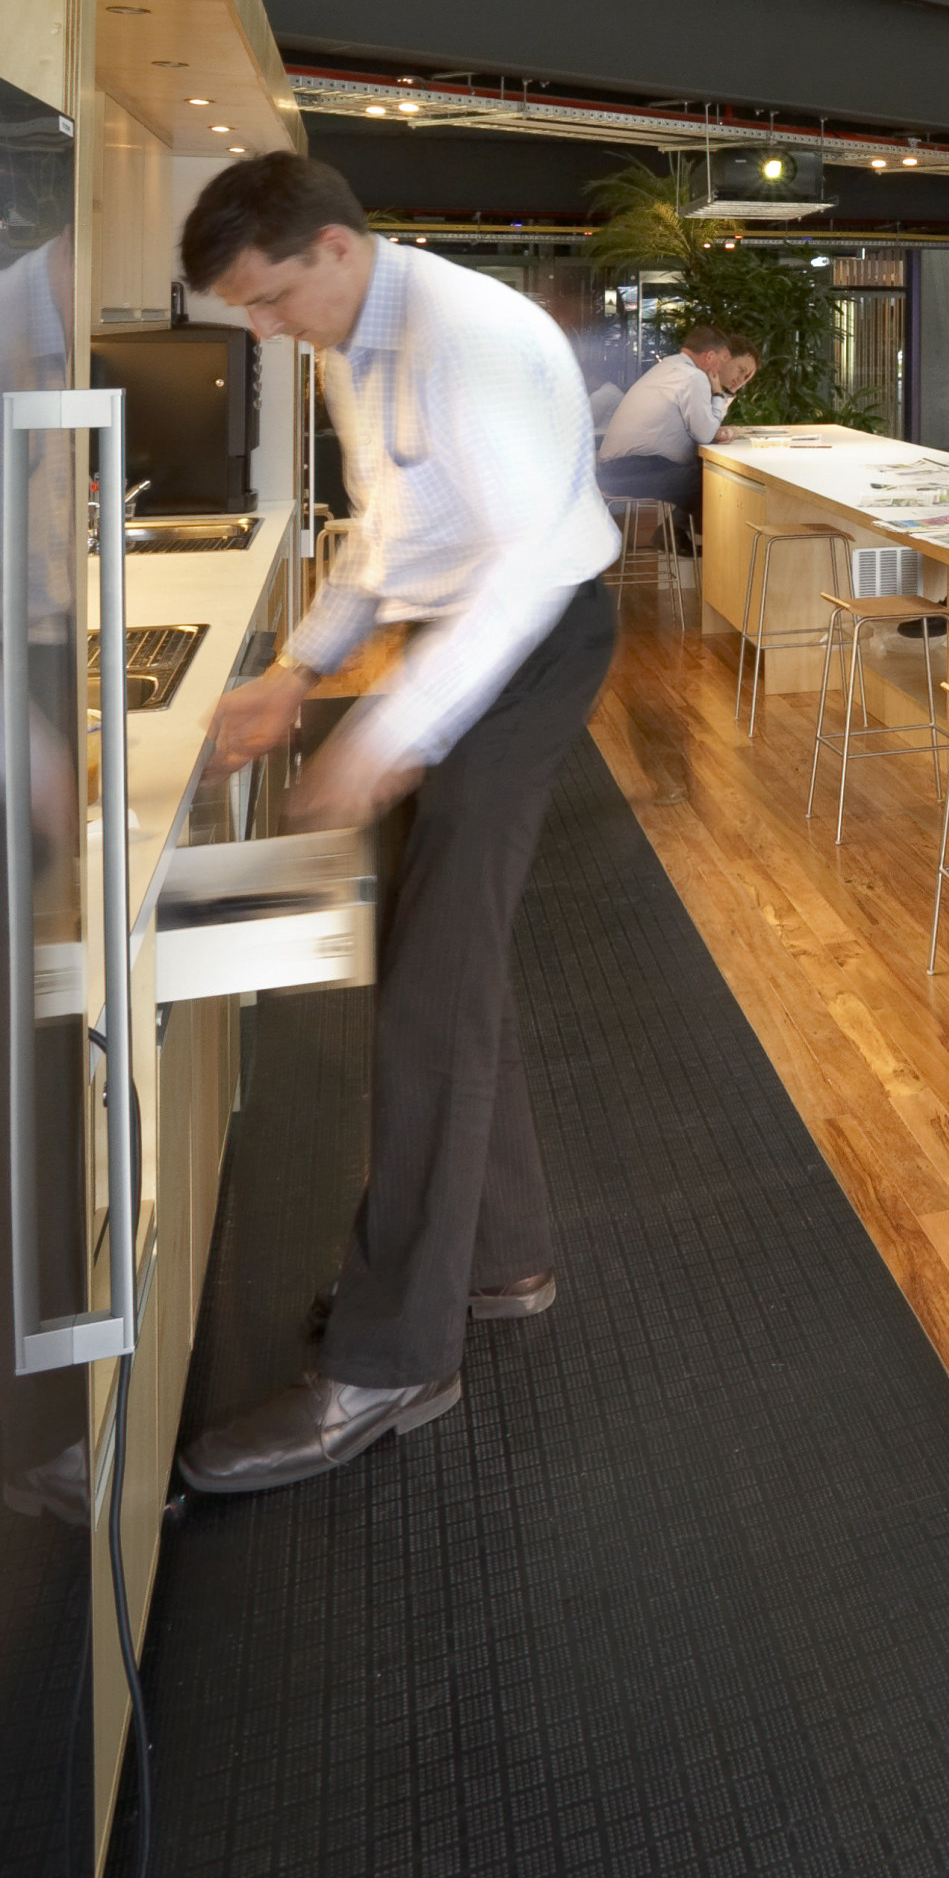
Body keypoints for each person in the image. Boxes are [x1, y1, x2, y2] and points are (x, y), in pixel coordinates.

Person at [171, 159, 618, 1495]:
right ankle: (502, 1257)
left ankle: (393, 1358)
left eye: (267, 297)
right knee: (441, 967)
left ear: (330, 248)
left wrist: (392, 732)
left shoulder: (469, 340)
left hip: (533, 640)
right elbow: (391, 537)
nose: (263, 327)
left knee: (430, 986)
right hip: (463, 638)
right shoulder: (350, 341)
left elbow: (527, 570)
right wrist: (299, 674)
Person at [597, 321, 758, 525]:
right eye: (725, 360)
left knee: (708, 475)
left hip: (615, 469)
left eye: (748, 377)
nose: (741, 379)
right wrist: (720, 394)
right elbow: (705, 435)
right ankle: (715, 550)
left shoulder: (671, 366)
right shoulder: (693, 377)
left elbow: (701, 429)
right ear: (710, 356)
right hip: (634, 470)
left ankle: (680, 536)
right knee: (721, 481)